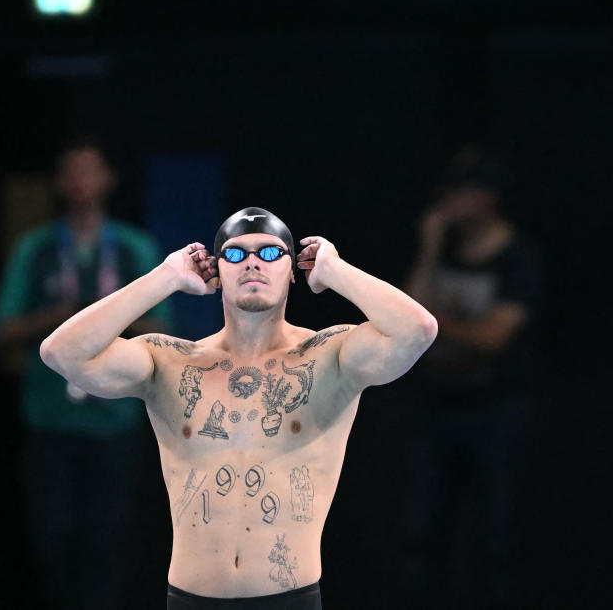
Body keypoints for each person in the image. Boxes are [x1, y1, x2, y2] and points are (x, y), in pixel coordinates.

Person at [37, 206, 437, 608]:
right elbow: (61, 352)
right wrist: (165, 278)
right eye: (234, 254)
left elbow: (417, 330)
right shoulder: (173, 363)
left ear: (292, 270)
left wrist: (337, 271)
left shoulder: (328, 359)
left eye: (269, 253)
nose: (251, 263)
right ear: (215, 272)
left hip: (289, 598)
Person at [0, 137, 175, 610]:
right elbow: (1, 329)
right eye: (69, 172)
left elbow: (167, 331)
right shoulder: (36, 248)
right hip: (50, 418)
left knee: (106, 540)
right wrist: (61, 316)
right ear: (57, 182)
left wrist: (110, 315)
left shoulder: (135, 247)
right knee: (52, 540)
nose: (78, 182)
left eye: (88, 171)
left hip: (116, 421)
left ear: (108, 179)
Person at [400, 144, 543, 609]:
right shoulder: (442, 250)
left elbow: (492, 340)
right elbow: (403, 322)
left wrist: (434, 322)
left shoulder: (518, 258)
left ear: (487, 197)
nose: (447, 201)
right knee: (422, 535)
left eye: (459, 192)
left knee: (497, 541)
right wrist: (429, 248)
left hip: (497, 411)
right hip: (438, 409)